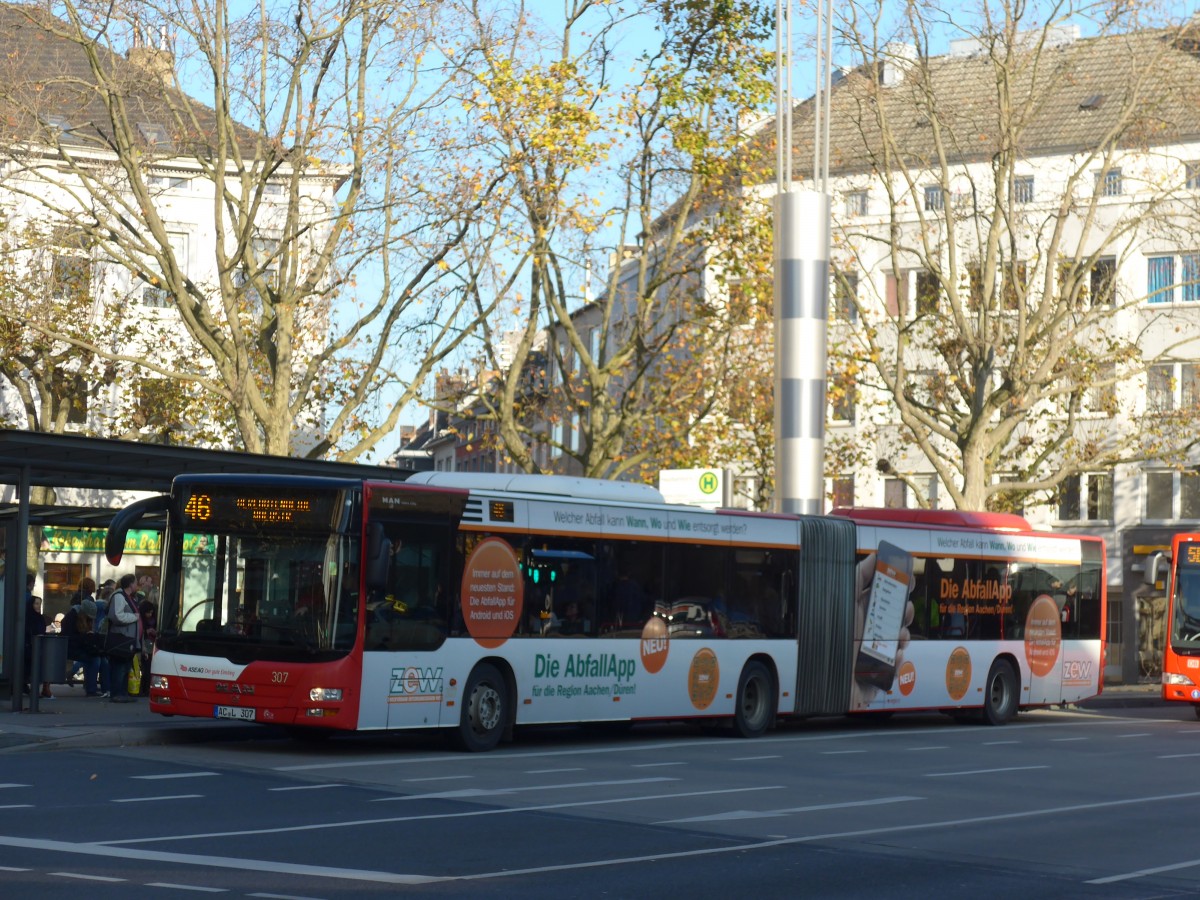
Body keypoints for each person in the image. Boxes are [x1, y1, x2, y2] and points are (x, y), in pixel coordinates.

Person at [106, 574, 143, 703]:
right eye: (135, 583)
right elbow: (117, 616)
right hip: (121, 638)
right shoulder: (119, 597)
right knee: (119, 667)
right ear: (130, 584)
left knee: (125, 667)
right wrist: (134, 617)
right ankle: (117, 693)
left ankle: (122, 693)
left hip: (128, 639)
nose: (137, 585)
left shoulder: (129, 597)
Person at [138, 596, 158, 696]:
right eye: (148, 612)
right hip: (145, 643)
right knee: (146, 668)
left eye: (151, 612)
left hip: (151, 643)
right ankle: (144, 688)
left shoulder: (154, 619)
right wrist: (147, 631)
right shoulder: (141, 620)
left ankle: (147, 688)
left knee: (149, 667)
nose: (149, 615)